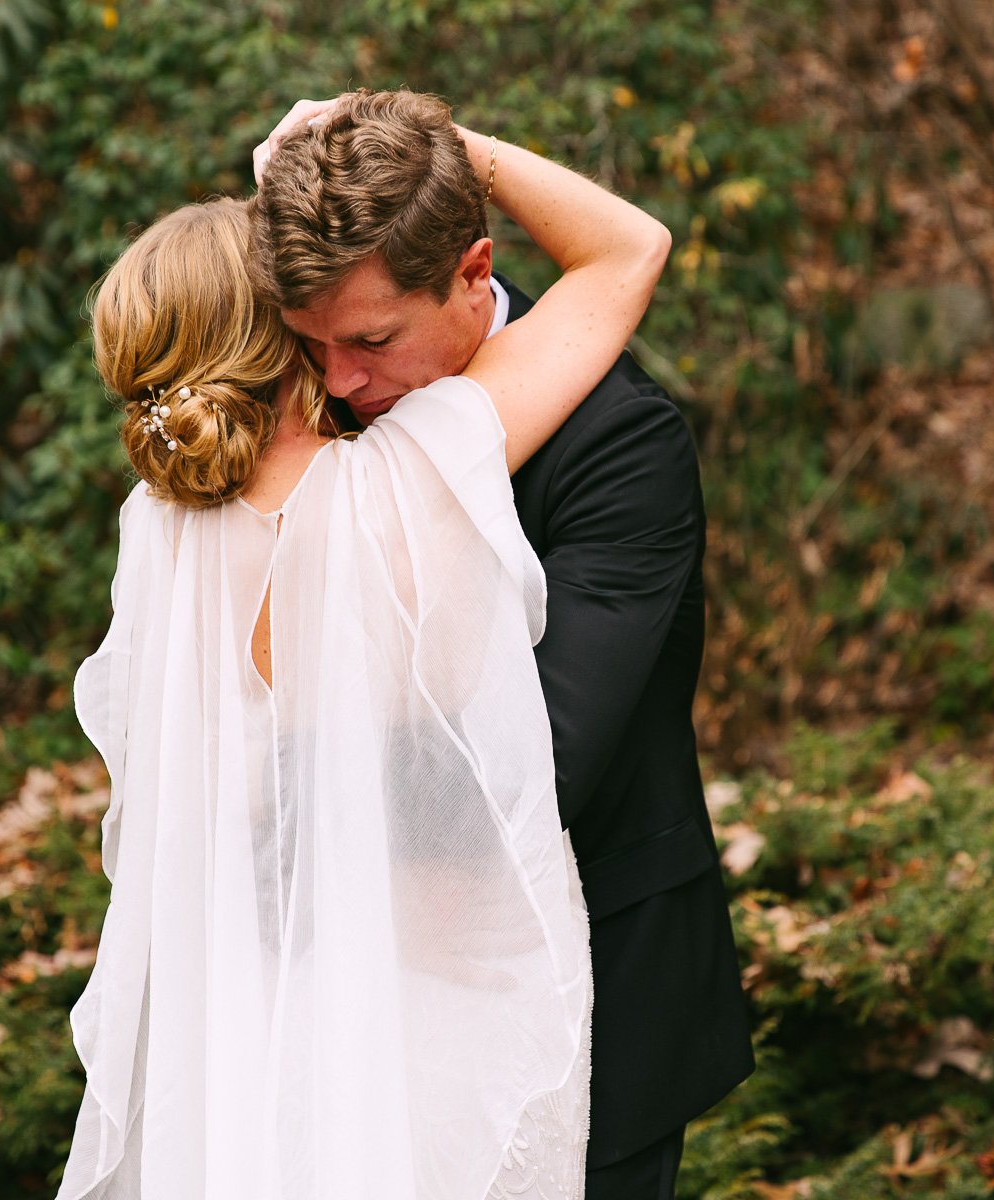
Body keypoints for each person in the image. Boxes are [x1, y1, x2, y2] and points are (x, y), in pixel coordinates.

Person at [56, 110, 671, 1200]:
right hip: (424, 1038)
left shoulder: (154, 531)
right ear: (284, 334)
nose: (346, 371)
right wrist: (444, 151)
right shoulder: (394, 489)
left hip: (251, 1040)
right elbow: (629, 248)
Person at [249, 90, 755, 1200]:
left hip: (590, 996)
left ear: (475, 272)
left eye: (372, 340)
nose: (339, 383)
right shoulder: (319, 415)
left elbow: (547, 754)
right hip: (348, 1000)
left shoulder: (619, 445)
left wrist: (459, 151)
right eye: (312, 344)